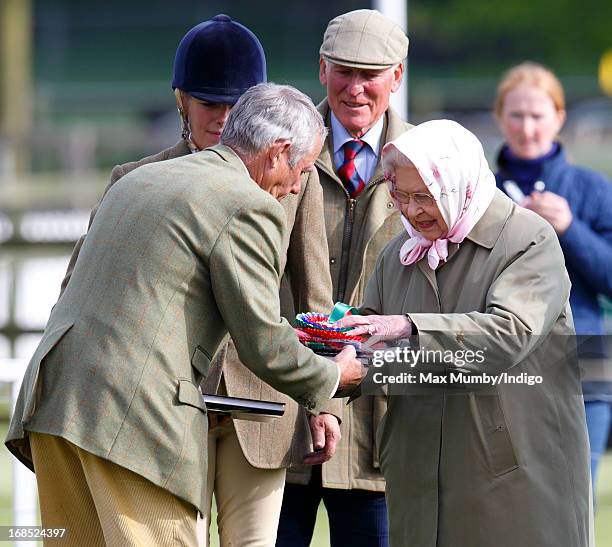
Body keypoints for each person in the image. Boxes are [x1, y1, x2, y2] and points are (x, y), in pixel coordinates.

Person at [5, 83, 365, 547]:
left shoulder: (140, 178)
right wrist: (333, 376)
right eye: (300, 169)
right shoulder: (247, 203)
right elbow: (262, 341)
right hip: (129, 422)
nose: (297, 186)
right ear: (277, 153)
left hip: (54, 407)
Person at [336, 119, 592, 546]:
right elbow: (374, 344)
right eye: (399, 194)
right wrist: (337, 352)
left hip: (510, 478)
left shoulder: (528, 240)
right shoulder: (398, 252)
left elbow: (508, 335)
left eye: (424, 196)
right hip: (418, 474)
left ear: (458, 185)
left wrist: (409, 326)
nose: (410, 210)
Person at [277, 9, 410, 547]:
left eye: (370, 74)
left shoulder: (427, 163)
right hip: (281, 414)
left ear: (396, 77)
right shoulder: (274, 152)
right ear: (321, 69)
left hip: (376, 420)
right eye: (342, 71)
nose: (355, 89)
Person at [494, 62, 612, 489]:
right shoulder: (484, 191)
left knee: (575, 502)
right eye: (517, 115)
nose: (528, 127)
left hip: (587, 365)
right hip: (507, 365)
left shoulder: (592, 188)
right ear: (499, 117)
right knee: (510, 504)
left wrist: (570, 228)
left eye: (538, 115)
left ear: (559, 118)